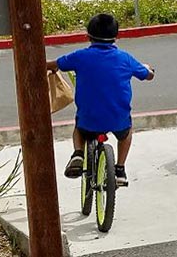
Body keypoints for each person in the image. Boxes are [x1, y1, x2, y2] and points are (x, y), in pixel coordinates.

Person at [47, 13, 155, 188]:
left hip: (89, 118)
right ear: (116, 36)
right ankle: (120, 169)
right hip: (118, 118)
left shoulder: (80, 56)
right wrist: (148, 68)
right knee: (126, 134)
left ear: (88, 36)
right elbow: (148, 76)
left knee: (79, 128)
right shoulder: (125, 59)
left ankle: (78, 153)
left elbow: (55, 64)